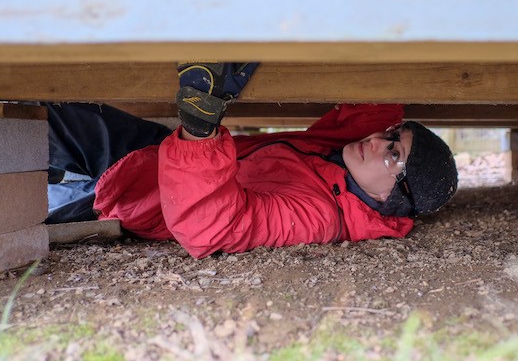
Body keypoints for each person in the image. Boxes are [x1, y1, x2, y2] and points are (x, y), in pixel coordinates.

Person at [47, 62, 458, 259]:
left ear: (393, 200)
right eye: (391, 137)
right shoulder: (348, 157)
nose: (377, 141)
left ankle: (56, 187)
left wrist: (199, 125)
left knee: (26, 210)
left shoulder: (319, 215)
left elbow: (212, 228)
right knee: (47, 112)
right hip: (162, 153)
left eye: (394, 154)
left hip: (143, 200)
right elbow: (378, 100)